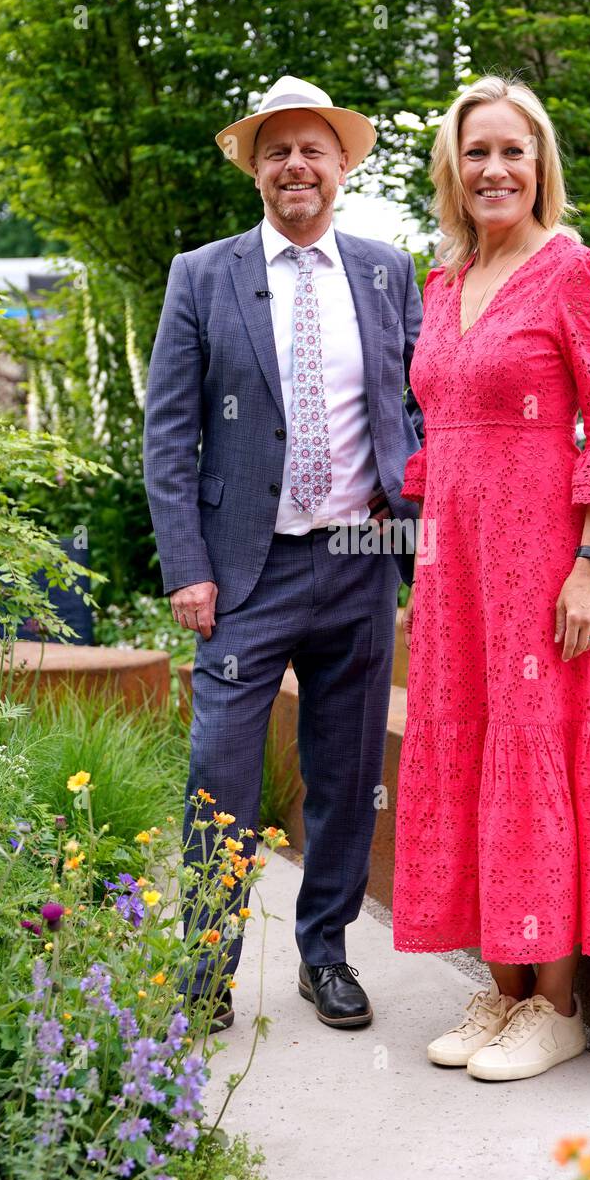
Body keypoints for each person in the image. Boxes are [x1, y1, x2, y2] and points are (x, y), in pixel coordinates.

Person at [393, 74, 590, 1082]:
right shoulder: (444, 280)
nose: (495, 168)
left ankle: (555, 1003)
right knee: (472, 748)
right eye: (478, 152)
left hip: (545, 561)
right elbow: (438, 434)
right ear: (454, 169)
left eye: (514, 151)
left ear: (540, 164)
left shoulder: (576, 272)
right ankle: (504, 991)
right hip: (457, 572)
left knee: (537, 749)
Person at [143, 76, 424, 1032]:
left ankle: (327, 955)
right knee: (220, 771)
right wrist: (186, 565)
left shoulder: (390, 270)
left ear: (343, 165)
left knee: (346, 774)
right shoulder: (201, 274)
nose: (295, 166)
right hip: (242, 574)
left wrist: (421, 546)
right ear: (255, 170)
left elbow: (418, 410)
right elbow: (169, 431)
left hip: (358, 561)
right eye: (277, 152)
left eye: (313, 149)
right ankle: (204, 967)